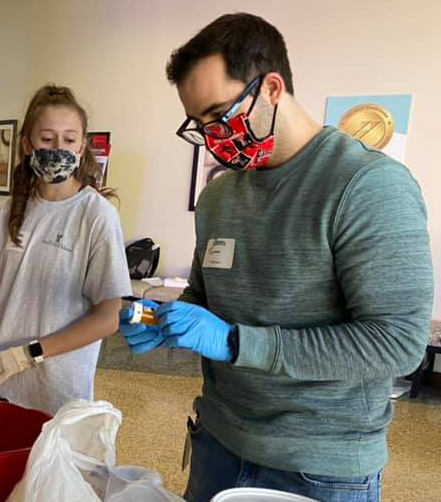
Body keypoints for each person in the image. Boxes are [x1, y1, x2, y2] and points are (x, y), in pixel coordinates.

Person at [120, 13, 433, 502]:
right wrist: (162, 319)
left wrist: (238, 343)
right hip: (218, 443)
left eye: (219, 114)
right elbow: (208, 300)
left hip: (320, 468)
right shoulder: (220, 195)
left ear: (270, 87)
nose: (213, 136)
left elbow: (396, 344)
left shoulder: (367, 186)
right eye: (199, 124)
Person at [0, 84, 132, 415]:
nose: (58, 148)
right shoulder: (10, 211)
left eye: (69, 140)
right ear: (28, 145)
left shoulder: (96, 215)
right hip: (1, 381)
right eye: (47, 139)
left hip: (57, 391)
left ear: (82, 146)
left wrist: (26, 355)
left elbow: (107, 318)